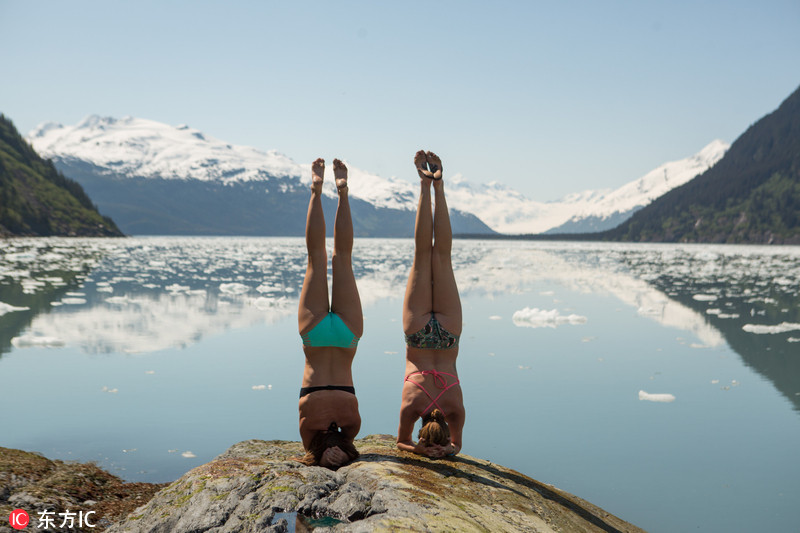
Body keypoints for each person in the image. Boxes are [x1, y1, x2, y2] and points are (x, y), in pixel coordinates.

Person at [397, 150, 464, 459]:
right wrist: (420, 451)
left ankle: (437, 185)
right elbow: (402, 442)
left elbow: (457, 446)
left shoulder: (454, 409)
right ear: (422, 430)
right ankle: (427, 185)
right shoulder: (413, 405)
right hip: (418, 335)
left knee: (443, 256)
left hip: (449, 335)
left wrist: (446, 449)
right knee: (424, 254)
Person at [296, 157, 363, 469]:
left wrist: (338, 452)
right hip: (316, 337)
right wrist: (324, 454)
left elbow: (348, 443)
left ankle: (342, 192)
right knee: (317, 258)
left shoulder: (351, 426)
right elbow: (316, 445)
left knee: (342, 258)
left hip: (347, 338)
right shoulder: (308, 429)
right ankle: (317, 191)